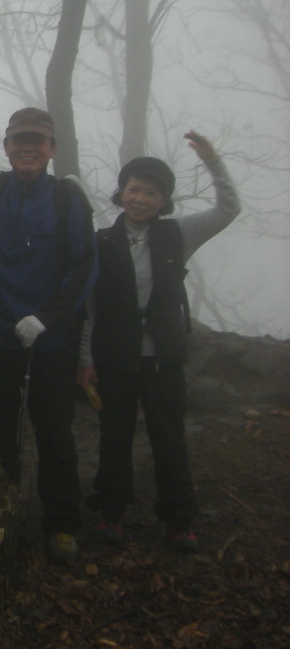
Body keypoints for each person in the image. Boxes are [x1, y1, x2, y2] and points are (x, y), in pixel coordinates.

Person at [78, 131, 240, 552]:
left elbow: (229, 209)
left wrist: (213, 161)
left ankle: (180, 517)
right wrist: (84, 360)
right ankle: (112, 509)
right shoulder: (102, 242)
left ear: (163, 201)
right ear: (122, 192)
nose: (141, 199)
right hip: (114, 356)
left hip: (163, 358)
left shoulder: (177, 234)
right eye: (134, 189)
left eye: (152, 193)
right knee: (115, 436)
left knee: (169, 437)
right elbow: (90, 310)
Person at [0, 107, 96, 566]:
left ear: (51, 149)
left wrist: (50, 317)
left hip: (49, 343)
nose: (27, 148)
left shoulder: (68, 200)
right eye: (18, 140)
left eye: (37, 141)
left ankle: (60, 525)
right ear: (7, 147)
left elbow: (83, 268)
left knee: (54, 434)